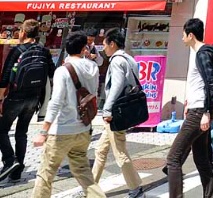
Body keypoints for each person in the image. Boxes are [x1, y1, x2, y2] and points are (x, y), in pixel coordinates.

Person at [31, 31, 105, 198]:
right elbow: (93, 93)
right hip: (83, 128)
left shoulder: (63, 71)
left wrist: (43, 131)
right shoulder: (93, 67)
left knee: (46, 172)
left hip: (62, 130)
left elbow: (56, 102)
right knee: (83, 171)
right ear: (83, 48)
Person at [165, 18, 213, 198]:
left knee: (173, 159)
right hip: (198, 109)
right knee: (201, 158)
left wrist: (206, 112)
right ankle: (211, 195)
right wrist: (188, 102)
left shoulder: (201, 53)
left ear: (191, 35)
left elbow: (211, 83)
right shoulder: (199, 53)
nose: (182, 38)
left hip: (200, 111)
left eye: (184, 34)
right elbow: (199, 84)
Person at [91, 28, 145, 198]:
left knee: (120, 153)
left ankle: (136, 189)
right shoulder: (130, 59)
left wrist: (107, 109)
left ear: (112, 44)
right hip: (123, 111)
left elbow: (117, 86)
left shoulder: (116, 61)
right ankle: (91, 189)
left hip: (115, 113)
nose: (103, 48)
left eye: (105, 45)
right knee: (100, 150)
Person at [0, 19, 55, 184]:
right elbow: (52, 73)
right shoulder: (44, 51)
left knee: (2, 130)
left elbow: (4, 77)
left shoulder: (17, 50)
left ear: (23, 33)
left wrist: (0, 98)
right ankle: (17, 172)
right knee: (21, 132)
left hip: (16, 96)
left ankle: (10, 161)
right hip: (34, 98)